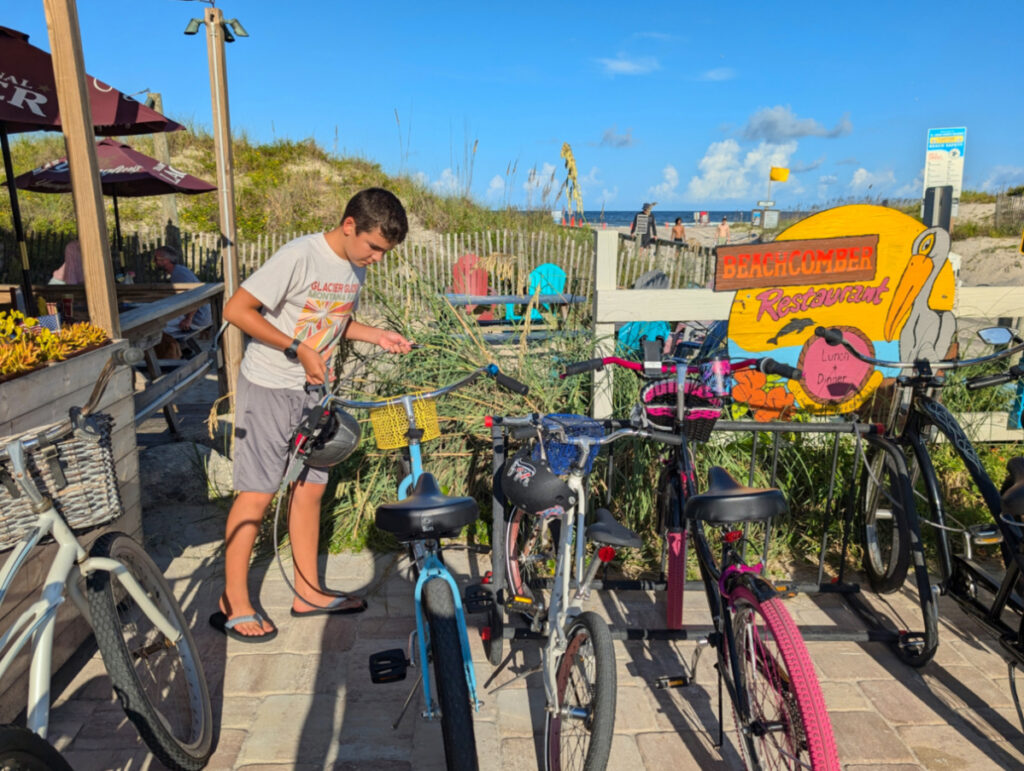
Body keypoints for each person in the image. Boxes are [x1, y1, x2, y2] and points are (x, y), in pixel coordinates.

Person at [210, 187, 413, 642]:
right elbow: (237, 310)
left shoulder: (355, 268)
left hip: (314, 393)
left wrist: (376, 336)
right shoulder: (299, 256)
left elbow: (333, 324)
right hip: (269, 387)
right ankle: (234, 601)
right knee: (257, 495)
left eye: (385, 252)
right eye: (374, 247)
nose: (377, 259)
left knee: (309, 491)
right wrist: (296, 348)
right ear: (348, 226)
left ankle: (308, 592)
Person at [154, 245, 213, 337]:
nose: (155, 262)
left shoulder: (179, 274)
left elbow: (196, 296)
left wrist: (188, 319)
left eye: (157, 258)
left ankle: (177, 349)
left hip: (198, 318)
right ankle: (184, 349)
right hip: (197, 315)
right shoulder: (178, 271)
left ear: (165, 260)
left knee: (155, 327)